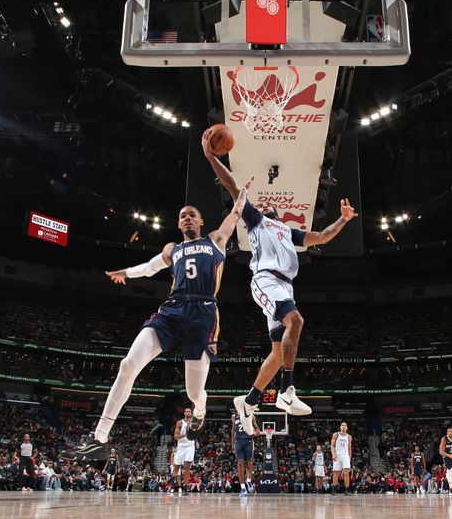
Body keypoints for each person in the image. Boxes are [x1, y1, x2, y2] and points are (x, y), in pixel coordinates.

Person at [61, 185, 250, 462]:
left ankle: (200, 411)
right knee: (128, 365)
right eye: (183, 215)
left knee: (193, 392)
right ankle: (99, 438)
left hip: (203, 312)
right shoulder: (172, 249)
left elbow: (236, 211)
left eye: (192, 215)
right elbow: (150, 266)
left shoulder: (215, 240)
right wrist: (126, 272)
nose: (187, 218)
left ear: (200, 221)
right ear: (178, 223)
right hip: (172, 310)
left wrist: (241, 191)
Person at [202, 132, 358, 429]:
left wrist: (344, 220)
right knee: (296, 321)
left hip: (284, 285)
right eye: (262, 204)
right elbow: (233, 187)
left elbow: (323, 236)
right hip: (265, 280)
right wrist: (212, 157)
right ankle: (285, 391)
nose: (266, 204)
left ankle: (248, 401)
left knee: (277, 352)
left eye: (268, 205)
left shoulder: (290, 232)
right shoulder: (257, 220)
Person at [231, 409, 259, 496]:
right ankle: (243, 488)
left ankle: (249, 480)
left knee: (248, 463)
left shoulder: (251, 416)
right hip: (239, 441)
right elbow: (233, 430)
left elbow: (257, 429)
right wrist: (232, 443)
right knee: (240, 463)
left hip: (249, 442)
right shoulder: (234, 417)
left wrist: (257, 432)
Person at [173, 408, 196, 493]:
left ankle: (186, 486)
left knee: (187, 464)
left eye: (190, 411)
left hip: (190, 445)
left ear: (191, 413)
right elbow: (176, 436)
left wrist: (196, 441)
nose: (188, 412)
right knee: (176, 466)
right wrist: (186, 434)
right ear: (184, 413)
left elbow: (195, 434)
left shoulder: (194, 423)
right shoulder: (179, 422)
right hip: (181, 445)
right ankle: (174, 482)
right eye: (187, 411)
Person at [331, 422, 353, 496]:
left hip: (345, 456)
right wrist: (333, 454)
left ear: (347, 428)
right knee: (335, 473)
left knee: (346, 472)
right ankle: (334, 490)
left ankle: (346, 490)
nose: (344, 426)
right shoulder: (336, 435)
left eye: (345, 425)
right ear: (340, 427)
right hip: (337, 455)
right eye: (342, 425)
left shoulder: (349, 437)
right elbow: (332, 446)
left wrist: (349, 457)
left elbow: (349, 448)